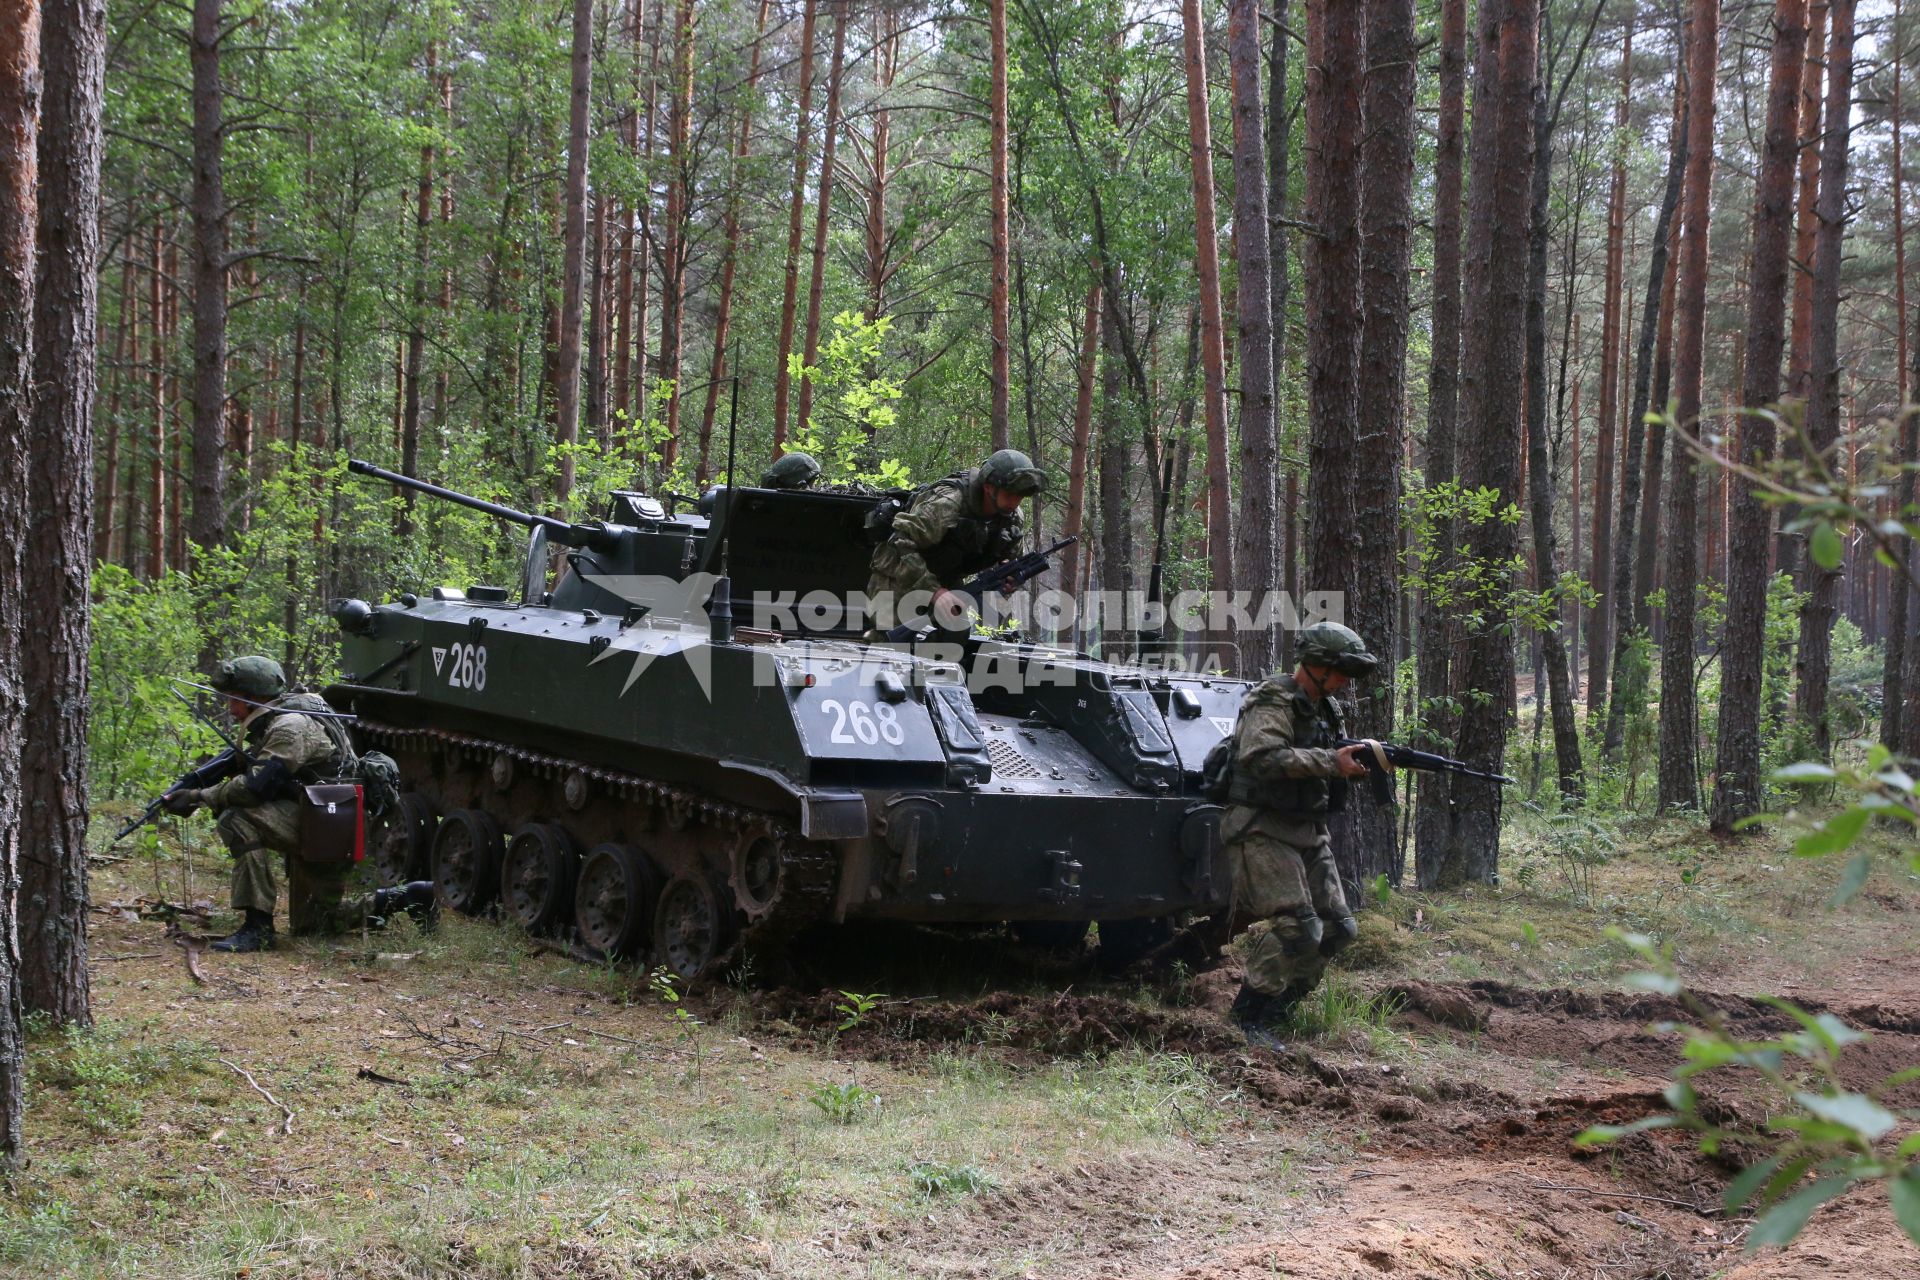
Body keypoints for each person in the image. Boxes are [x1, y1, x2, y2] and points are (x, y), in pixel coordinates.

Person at [162, 655, 436, 953]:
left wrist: (198, 797)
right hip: (329, 822)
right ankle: (412, 896)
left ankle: (258, 928)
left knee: (236, 817)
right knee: (316, 924)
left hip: (328, 825)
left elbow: (256, 788)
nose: (231, 709)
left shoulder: (291, 727)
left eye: (234, 699)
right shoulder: (289, 712)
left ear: (256, 697)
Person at [1220, 621, 1386, 1049]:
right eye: (1341, 671)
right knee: (1297, 928)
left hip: (1307, 829)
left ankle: (1280, 1012)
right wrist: (1331, 762)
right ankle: (1247, 1019)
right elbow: (1261, 756)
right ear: (1317, 666)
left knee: (1338, 928)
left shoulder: (1325, 707)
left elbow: (1320, 759)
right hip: (1260, 825)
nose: (1345, 681)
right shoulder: (1273, 699)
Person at [866, 448, 1047, 635]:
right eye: (1009, 495)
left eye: (1020, 496)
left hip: (946, 581)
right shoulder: (948, 504)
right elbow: (900, 543)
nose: (1015, 502)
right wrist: (934, 592)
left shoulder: (1012, 519)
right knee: (889, 648)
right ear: (988, 487)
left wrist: (1009, 581)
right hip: (898, 580)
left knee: (948, 646)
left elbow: (1010, 562)